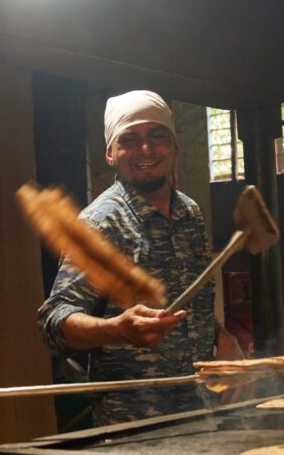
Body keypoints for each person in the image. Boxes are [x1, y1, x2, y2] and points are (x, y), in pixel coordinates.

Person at [38, 90, 219, 425]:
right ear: (111, 153)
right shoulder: (100, 224)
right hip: (134, 421)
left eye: (157, 135)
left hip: (200, 408)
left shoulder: (189, 213)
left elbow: (192, 304)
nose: (146, 149)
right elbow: (54, 321)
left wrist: (226, 340)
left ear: (175, 145)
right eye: (130, 139)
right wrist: (116, 330)